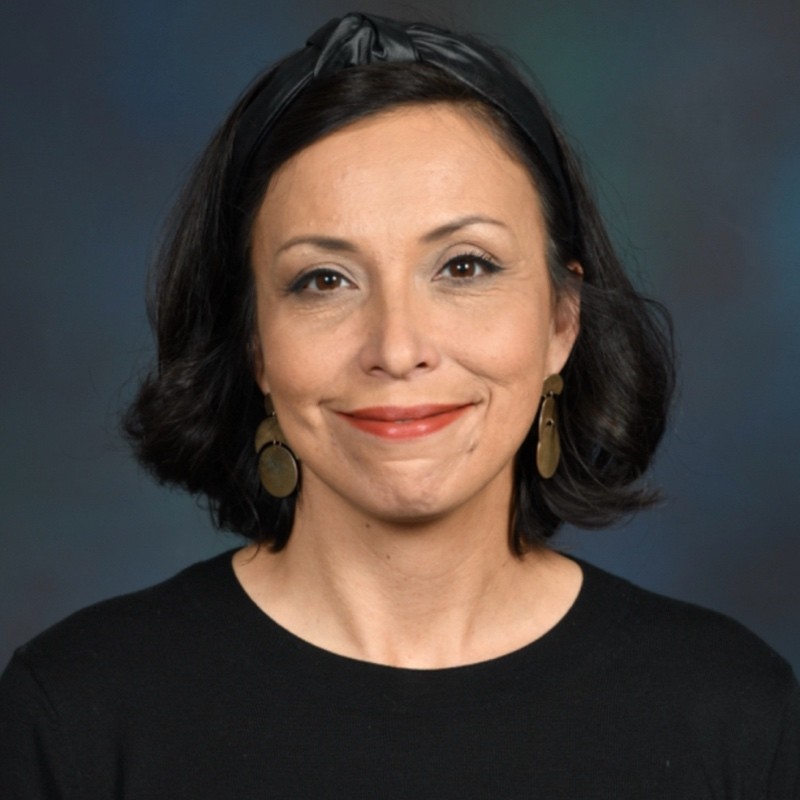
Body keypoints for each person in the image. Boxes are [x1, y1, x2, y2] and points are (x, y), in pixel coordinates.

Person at [1, 12, 797, 798]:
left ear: (562, 320)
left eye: (465, 266)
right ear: (255, 347)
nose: (397, 346)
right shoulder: (74, 712)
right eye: (324, 279)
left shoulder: (735, 715)